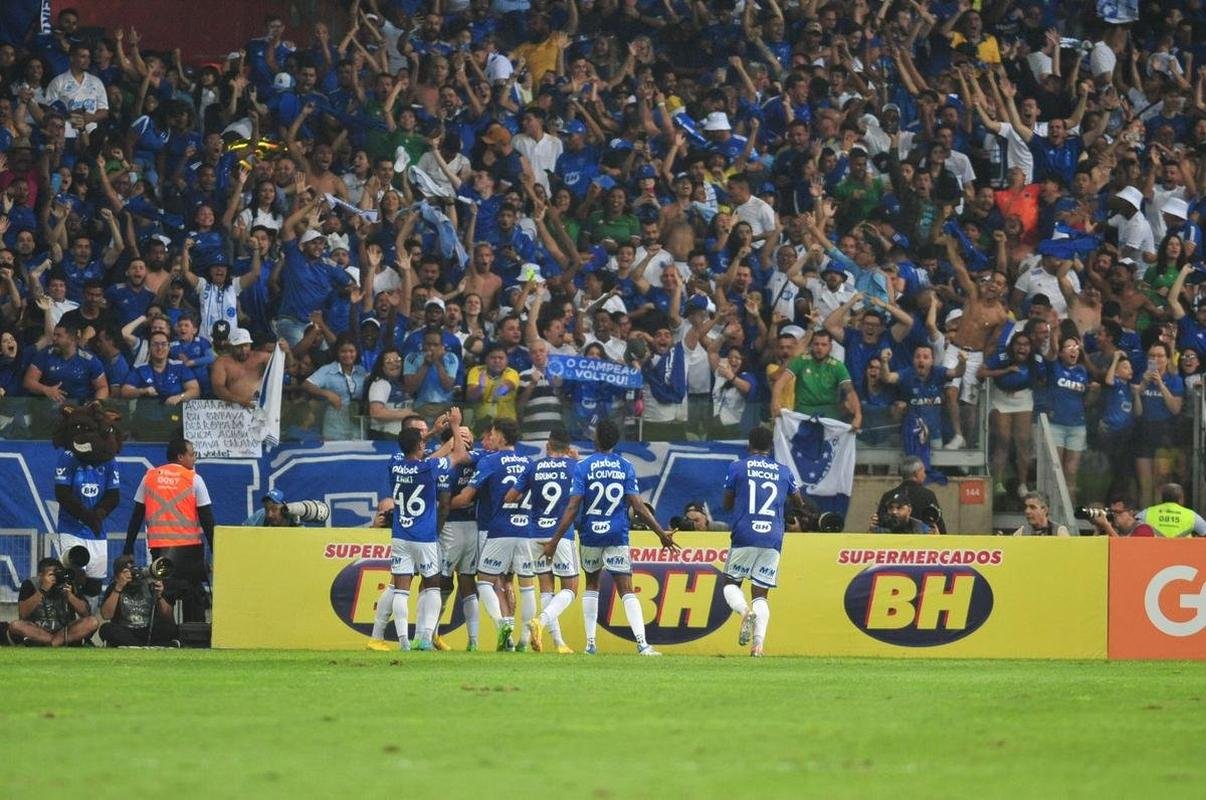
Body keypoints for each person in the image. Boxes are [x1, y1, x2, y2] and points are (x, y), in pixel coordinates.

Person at [540, 419, 678, 656]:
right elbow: (640, 507)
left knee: (592, 584)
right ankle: (642, 643)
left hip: (590, 535)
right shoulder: (625, 466)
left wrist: (554, 540)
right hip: (616, 534)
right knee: (626, 588)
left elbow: (572, 508)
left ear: (596, 440)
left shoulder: (583, 466)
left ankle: (591, 644)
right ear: (616, 441)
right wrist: (660, 533)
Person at [380, 408, 468, 651]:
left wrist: (432, 433)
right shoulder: (429, 468)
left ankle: (403, 642)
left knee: (401, 589)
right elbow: (459, 454)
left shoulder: (394, 464)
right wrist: (455, 428)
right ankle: (426, 638)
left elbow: (411, 448)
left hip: (400, 535)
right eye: (422, 443)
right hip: (425, 538)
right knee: (432, 586)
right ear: (419, 446)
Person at [450, 419, 537, 651]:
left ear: (499, 436)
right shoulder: (529, 462)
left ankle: (502, 626)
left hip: (496, 529)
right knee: (525, 585)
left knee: (487, 582)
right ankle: (523, 641)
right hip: (526, 531)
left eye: (493, 434)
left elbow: (467, 496)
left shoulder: (490, 461)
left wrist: (443, 505)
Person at [720, 426, 804, 657]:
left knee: (730, 583)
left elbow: (726, 503)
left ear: (749, 444)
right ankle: (758, 645)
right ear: (771, 447)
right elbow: (798, 502)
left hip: (745, 533)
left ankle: (744, 611)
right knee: (761, 593)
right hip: (773, 536)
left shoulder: (737, 467)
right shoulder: (784, 471)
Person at [123, 438, 215, 623]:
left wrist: (128, 548)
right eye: (191, 454)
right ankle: (193, 637)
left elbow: (136, 515)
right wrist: (217, 550)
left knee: (163, 594)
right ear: (180, 457)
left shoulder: (149, 477)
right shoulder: (194, 479)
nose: (194, 458)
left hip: (160, 550)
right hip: (190, 551)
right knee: (193, 594)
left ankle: (165, 637)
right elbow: (207, 519)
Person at [510, 427, 579, 654]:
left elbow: (511, 497)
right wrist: (575, 460)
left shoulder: (533, 466)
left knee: (546, 588)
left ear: (547, 445)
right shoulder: (574, 467)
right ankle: (540, 621)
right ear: (568, 449)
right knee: (571, 588)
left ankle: (558, 643)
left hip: (535, 533)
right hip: (560, 535)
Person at [771, 329, 861, 429]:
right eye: (816, 344)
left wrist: (858, 415)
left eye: (824, 345)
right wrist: (775, 403)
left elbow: (849, 391)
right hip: (803, 413)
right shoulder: (801, 361)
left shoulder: (837, 366)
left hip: (829, 414)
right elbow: (780, 383)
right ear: (811, 346)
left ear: (830, 347)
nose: (819, 348)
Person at [8, 557, 98, 646]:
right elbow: (23, 614)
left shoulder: (67, 583)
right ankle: (54, 641)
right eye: (52, 574)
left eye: (58, 574)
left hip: (64, 631)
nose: (55, 577)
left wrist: (70, 596)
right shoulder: (30, 584)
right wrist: (42, 590)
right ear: (40, 575)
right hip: (38, 631)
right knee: (15, 625)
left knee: (92, 622)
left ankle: (52, 642)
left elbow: (85, 613)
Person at [98, 554, 179, 647]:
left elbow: (167, 616)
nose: (130, 574)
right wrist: (118, 587)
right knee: (106, 629)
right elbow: (106, 615)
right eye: (125, 571)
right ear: (117, 576)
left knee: (170, 628)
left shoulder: (149, 583)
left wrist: (159, 596)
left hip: (147, 630)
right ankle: (152, 646)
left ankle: (136, 645)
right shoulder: (114, 587)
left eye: (132, 569)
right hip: (125, 630)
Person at [876, 456, 945, 535]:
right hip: (921, 543)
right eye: (923, 471)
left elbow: (879, 524)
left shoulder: (888, 496)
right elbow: (938, 522)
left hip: (892, 543)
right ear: (916, 473)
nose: (925, 475)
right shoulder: (928, 495)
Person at [1138, 483, 1206, 538]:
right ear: (1181, 499)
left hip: (1155, 552)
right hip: (1182, 553)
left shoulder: (1147, 513)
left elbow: (1132, 526)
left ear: (1162, 498)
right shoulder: (1191, 515)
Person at [1086, 499, 1156, 538]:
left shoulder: (1143, 529)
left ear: (1130, 513)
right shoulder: (1115, 531)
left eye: (1117, 512)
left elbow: (1126, 551)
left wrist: (1107, 526)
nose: (1114, 516)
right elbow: (1092, 551)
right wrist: (1098, 529)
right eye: (1112, 512)